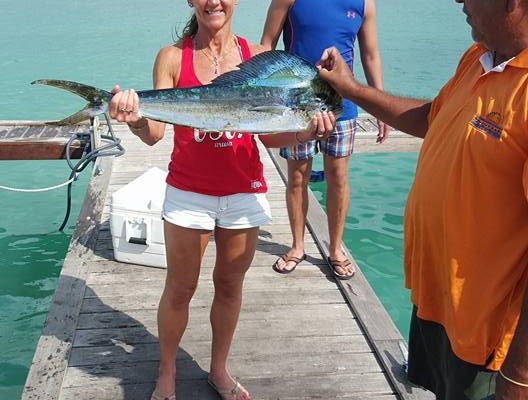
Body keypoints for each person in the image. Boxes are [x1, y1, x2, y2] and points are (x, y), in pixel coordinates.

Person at [108, 1, 335, 399]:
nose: (214, 0)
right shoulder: (172, 57)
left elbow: (268, 133)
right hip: (188, 191)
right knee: (180, 288)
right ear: (191, 2)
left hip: (243, 191)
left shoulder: (260, 59)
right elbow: (155, 133)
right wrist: (137, 117)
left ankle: (219, 370)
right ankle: (166, 373)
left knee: (230, 287)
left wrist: (305, 133)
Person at [316, 0, 528, 399]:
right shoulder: (480, 57)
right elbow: (432, 117)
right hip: (437, 303)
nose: (459, 1)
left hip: (486, 339)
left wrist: (519, 375)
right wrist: (350, 89)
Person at [260, 0, 389, 278]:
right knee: (297, 176)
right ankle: (297, 246)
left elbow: (370, 55)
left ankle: (335, 249)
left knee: (338, 177)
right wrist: (264, 105)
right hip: (296, 107)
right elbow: (267, 46)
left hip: (342, 107)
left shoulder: (364, 4)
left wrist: (381, 106)